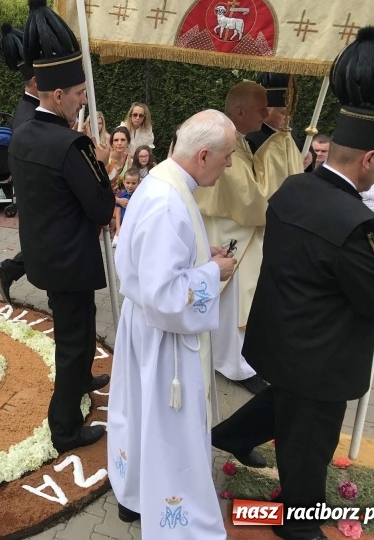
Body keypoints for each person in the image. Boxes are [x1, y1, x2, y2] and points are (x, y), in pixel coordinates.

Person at [212, 26, 374, 540]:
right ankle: (298, 524)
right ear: (366, 160)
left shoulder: (295, 189)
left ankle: (228, 435)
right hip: (320, 360)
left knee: (285, 404)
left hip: (282, 342)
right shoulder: (358, 226)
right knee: (308, 448)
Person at [107, 109, 237, 536]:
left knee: (140, 414)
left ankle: (134, 496)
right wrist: (211, 273)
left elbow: (157, 260)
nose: (230, 165)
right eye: (227, 157)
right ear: (203, 155)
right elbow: (165, 294)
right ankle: (173, 516)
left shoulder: (163, 180)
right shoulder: (167, 200)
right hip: (164, 337)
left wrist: (202, 256)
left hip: (143, 325)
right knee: (165, 428)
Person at [9, 0, 115, 454]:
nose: (82, 99)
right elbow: (101, 205)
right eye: (77, 94)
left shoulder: (25, 130)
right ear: (57, 95)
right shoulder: (71, 146)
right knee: (74, 341)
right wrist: (99, 158)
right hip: (71, 261)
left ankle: (82, 378)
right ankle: (64, 429)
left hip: (45, 254)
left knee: (77, 333)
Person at [194, 81, 303, 395]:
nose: (265, 114)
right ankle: (234, 365)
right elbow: (254, 202)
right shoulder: (224, 144)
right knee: (232, 304)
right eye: (260, 109)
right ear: (239, 112)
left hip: (236, 234)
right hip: (232, 239)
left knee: (236, 303)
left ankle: (231, 357)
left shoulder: (235, 139)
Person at [0, 22, 39, 304]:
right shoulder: (28, 114)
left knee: (43, 246)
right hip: (34, 190)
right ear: (35, 82)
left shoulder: (31, 107)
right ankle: (8, 271)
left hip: (34, 191)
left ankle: (8, 271)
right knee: (43, 246)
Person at [113, 168, 140, 239]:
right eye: (128, 183)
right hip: (123, 225)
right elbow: (118, 213)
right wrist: (118, 228)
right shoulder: (121, 195)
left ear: (138, 183)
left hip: (135, 227)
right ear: (123, 182)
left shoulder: (139, 196)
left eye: (133, 183)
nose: (130, 186)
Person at [106, 126, 131, 192]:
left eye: (123, 140)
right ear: (111, 144)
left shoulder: (128, 157)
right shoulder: (106, 159)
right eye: (116, 140)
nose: (119, 143)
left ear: (128, 143)